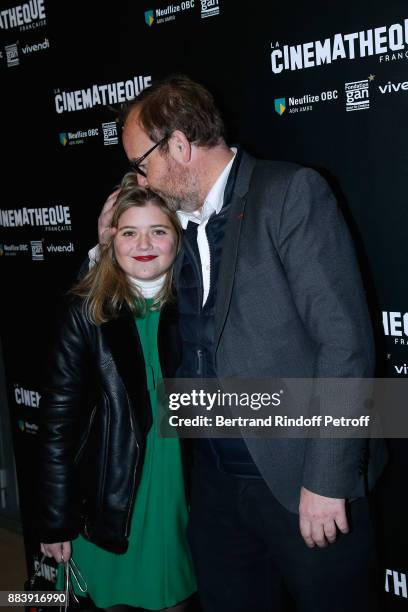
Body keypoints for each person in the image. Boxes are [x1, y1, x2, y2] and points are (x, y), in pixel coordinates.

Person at [96, 75, 387, 612]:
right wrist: (106, 243)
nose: (140, 178)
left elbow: (344, 344)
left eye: (142, 163)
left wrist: (327, 480)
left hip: (301, 484)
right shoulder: (171, 227)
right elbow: (120, 309)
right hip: (213, 495)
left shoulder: (289, 193)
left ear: (179, 146)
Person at [38, 174, 196, 612]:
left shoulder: (198, 307)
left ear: (177, 238)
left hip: (179, 497)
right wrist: (54, 520)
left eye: (158, 230)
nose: (143, 243)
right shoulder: (85, 311)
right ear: (111, 240)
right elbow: (58, 426)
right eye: (129, 231)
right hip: (110, 495)